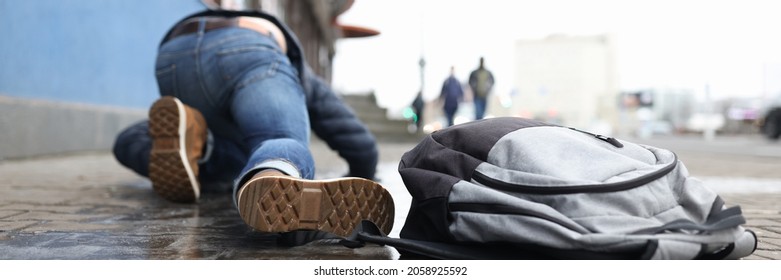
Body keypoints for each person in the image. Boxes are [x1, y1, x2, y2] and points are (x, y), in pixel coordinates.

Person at [112, 7, 394, 240]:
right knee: (279, 138)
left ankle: (199, 144)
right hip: (250, 49)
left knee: (132, 140)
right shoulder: (300, 71)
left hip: (173, 57)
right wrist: (364, 172)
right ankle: (274, 173)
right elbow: (357, 141)